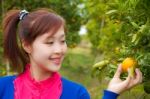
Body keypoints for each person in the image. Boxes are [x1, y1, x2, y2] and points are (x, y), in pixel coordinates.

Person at [0, 8, 142, 99]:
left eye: (62, 41)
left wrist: (111, 93)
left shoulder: (76, 93)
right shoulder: (3, 88)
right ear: (27, 46)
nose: (59, 50)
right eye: (49, 42)